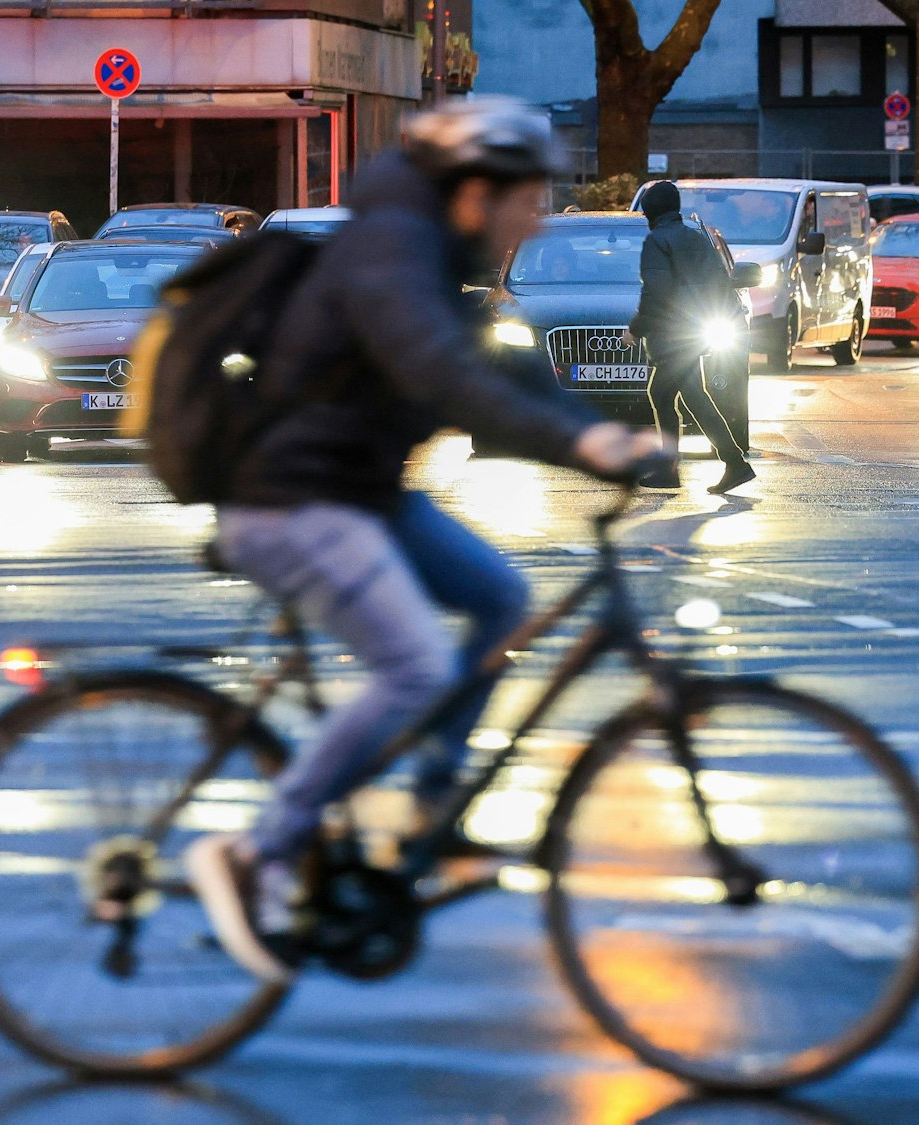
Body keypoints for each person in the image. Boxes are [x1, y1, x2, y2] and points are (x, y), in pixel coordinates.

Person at [183, 98, 664, 983]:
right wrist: (580, 444)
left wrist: (603, 431)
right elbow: (439, 371)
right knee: (417, 672)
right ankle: (256, 852)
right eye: (530, 195)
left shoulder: (437, 251)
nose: (540, 214)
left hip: (360, 491)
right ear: (476, 190)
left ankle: (429, 806)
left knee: (501, 600)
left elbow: (497, 368)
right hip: (293, 500)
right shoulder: (391, 253)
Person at [624, 180, 755, 495]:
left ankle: (729, 463)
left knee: (685, 396)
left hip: (670, 333)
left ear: (650, 211)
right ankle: (682, 466)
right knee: (666, 393)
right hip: (693, 330)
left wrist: (636, 328)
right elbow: (720, 283)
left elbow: (656, 291)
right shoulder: (696, 238)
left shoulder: (657, 241)